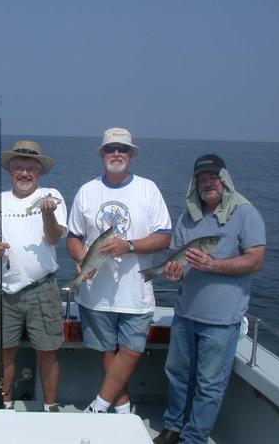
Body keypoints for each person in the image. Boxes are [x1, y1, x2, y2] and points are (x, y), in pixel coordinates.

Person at [153, 154, 265, 444]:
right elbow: (175, 266)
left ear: (224, 179)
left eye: (213, 177)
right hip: (185, 314)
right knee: (177, 374)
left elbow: (255, 261)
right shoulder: (187, 217)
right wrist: (174, 275)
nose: (207, 183)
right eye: (201, 178)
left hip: (221, 320)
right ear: (195, 183)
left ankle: (194, 438)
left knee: (209, 385)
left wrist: (214, 265)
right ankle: (172, 427)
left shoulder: (246, 213)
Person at [66, 127, 172, 415]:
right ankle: (123, 410)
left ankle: (99, 407)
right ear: (102, 154)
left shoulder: (148, 189)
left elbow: (164, 237)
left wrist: (130, 246)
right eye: (110, 148)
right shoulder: (87, 191)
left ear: (131, 155)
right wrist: (81, 259)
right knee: (107, 351)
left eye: (122, 149)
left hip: (135, 293)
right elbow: (73, 238)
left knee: (132, 350)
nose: (116, 153)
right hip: (95, 293)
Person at [0, 141, 67, 412]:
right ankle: (5, 404)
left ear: (39, 172)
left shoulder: (52, 195)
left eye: (30, 169)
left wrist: (48, 214)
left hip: (42, 288)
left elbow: (55, 237)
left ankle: (50, 406)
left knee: (47, 351)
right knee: (4, 349)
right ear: (9, 170)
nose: (24, 173)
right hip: (3, 289)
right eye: (18, 167)